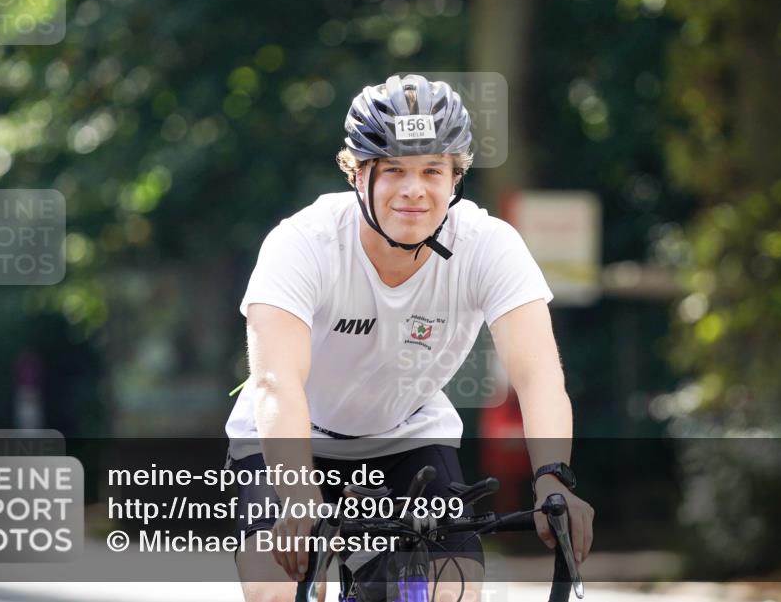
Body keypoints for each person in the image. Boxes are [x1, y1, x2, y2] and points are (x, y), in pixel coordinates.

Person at [226, 74, 594, 602]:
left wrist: (553, 478)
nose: (414, 189)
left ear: (456, 177)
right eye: (393, 169)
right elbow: (275, 382)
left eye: (432, 170)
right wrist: (297, 494)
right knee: (277, 591)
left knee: (453, 590)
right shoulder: (302, 243)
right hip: (293, 438)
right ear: (356, 174)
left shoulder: (488, 245)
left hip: (408, 438)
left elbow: (537, 375)